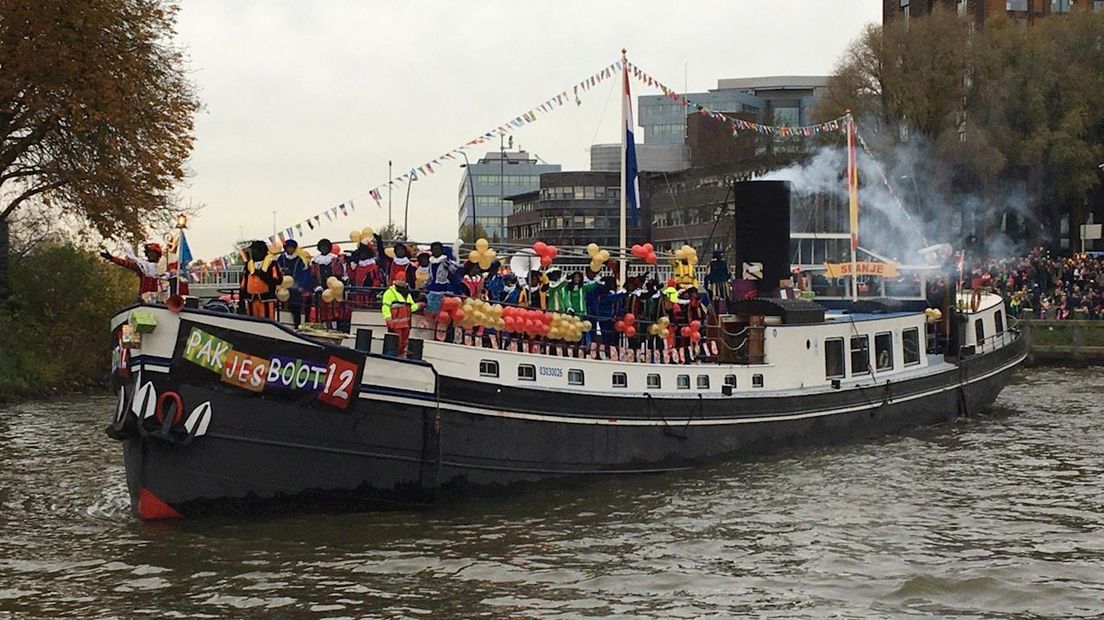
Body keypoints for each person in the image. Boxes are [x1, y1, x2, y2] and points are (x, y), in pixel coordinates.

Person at [101, 243, 165, 303]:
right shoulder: (143, 266)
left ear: (157, 255)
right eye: (149, 253)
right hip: (144, 298)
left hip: (159, 298)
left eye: (153, 253)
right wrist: (112, 258)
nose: (151, 255)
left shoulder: (163, 266)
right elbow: (126, 263)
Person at [239, 240, 283, 319]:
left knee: (267, 320)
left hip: (266, 299)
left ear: (261, 251)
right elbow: (243, 284)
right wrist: (241, 301)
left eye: (254, 251)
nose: (252, 253)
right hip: (251, 299)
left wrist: (265, 277)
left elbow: (278, 280)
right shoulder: (249, 265)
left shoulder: (271, 264)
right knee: (253, 321)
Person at [381, 272, 421, 356]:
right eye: (399, 279)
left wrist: (419, 305)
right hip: (395, 323)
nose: (400, 282)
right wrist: (388, 319)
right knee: (396, 342)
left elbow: (411, 307)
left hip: (406, 324)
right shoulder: (389, 293)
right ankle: (395, 356)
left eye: (402, 280)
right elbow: (385, 307)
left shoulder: (407, 293)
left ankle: (401, 355)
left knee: (404, 342)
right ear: (395, 281)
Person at [275, 239, 311, 327]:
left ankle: (297, 325)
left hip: (295, 287)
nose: (290, 249)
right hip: (282, 287)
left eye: (291, 248)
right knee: (280, 306)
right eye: (288, 248)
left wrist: (301, 285)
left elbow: (305, 274)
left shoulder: (300, 259)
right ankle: (280, 324)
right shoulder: (281, 258)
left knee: (295, 306)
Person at [310, 238, 345, 327]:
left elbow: (339, 273)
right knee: (323, 309)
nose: (324, 248)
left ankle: (335, 327)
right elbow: (313, 275)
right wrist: (316, 286)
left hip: (333, 289)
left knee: (334, 309)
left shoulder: (334, 259)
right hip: (321, 289)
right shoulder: (315, 260)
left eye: (325, 247)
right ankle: (324, 326)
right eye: (322, 247)